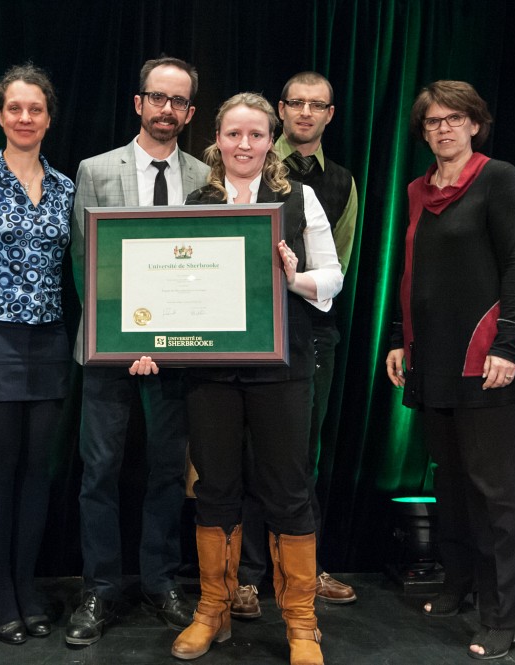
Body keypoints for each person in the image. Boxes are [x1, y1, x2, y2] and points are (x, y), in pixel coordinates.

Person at [149, 92, 343, 663]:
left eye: (256, 135)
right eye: (233, 134)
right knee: (214, 488)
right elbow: (173, 285)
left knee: (286, 489)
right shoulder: (196, 200)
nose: (244, 145)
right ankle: (214, 610)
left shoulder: (298, 197)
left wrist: (295, 277)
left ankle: (302, 624)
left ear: (269, 139)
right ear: (217, 139)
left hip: (282, 367)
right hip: (211, 369)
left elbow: (331, 280)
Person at [386, 80, 515, 661]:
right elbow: (409, 270)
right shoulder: (419, 190)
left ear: (475, 124)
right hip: (434, 356)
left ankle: (503, 614)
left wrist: (507, 341)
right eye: (432, 121)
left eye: (455, 118)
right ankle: (459, 582)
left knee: (493, 491)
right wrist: (400, 339)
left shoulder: (498, 178)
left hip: (486, 356)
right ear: (422, 132)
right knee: (448, 480)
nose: (443, 128)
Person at [66, 56, 209, 646]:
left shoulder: (206, 176)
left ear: (191, 111)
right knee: (99, 471)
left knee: (167, 473)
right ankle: (99, 588)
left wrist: (169, 337)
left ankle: (160, 581)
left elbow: (204, 267)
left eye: (178, 102)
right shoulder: (96, 170)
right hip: (108, 352)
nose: (166, 110)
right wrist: (121, 340)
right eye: (157, 98)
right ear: (138, 103)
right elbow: (82, 259)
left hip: (178, 353)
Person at [231, 72, 360, 618]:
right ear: (279, 111)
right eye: (297, 103)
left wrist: (297, 283)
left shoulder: (339, 183)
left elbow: (340, 266)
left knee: (299, 455)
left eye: (318, 105)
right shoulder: (238, 169)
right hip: (237, 334)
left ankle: (299, 575)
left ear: (330, 114)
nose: (306, 113)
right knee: (241, 456)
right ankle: (249, 576)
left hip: (309, 334)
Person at [0, 64, 75, 645]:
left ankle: (27, 584)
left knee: (38, 471)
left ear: (49, 118)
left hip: (51, 340)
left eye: (36, 109)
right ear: (0, 115)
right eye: (14, 109)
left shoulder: (67, 188)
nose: (25, 118)